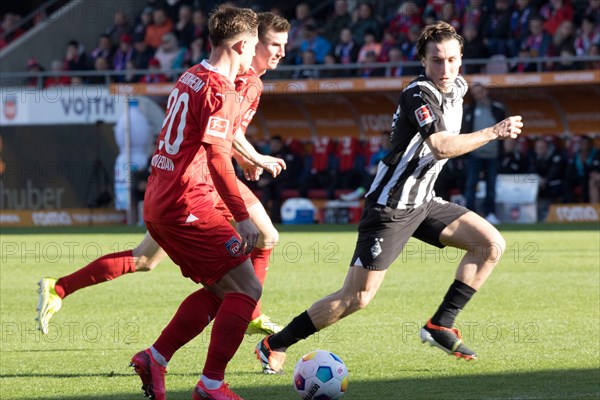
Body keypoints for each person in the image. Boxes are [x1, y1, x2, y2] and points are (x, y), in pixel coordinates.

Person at [255, 21, 523, 375]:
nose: (445, 68)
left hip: (424, 201)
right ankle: (274, 344)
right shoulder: (418, 93)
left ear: (461, 60)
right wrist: (493, 132)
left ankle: (440, 324)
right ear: (423, 62)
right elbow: (441, 146)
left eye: (452, 59)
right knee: (356, 298)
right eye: (437, 61)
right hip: (390, 206)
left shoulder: (459, 87)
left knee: (490, 244)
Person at [36, 12, 291, 342]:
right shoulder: (239, 82)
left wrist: (244, 156)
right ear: (249, 44)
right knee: (265, 236)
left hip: (184, 180)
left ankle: (59, 287)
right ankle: (246, 311)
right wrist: (252, 156)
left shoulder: (208, 74)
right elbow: (219, 137)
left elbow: (224, 133)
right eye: (271, 44)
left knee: (144, 259)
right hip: (200, 180)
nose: (279, 53)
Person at [131, 6, 261, 400]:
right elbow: (219, 156)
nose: (254, 55)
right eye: (254, 46)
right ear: (241, 44)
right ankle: (210, 384)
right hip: (184, 204)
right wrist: (242, 217)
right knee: (248, 289)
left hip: (160, 198)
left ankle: (156, 358)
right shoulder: (220, 88)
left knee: (224, 288)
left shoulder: (191, 75)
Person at [462, 83, 507, 225]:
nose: (478, 95)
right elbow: (465, 132)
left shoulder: (498, 109)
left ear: (485, 91)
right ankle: (469, 215)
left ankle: (490, 214)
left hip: (493, 155)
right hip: (474, 154)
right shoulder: (469, 110)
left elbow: (504, 132)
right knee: (471, 185)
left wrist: (502, 152)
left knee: (491, 187)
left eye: (480, 92)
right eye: (475, 93)